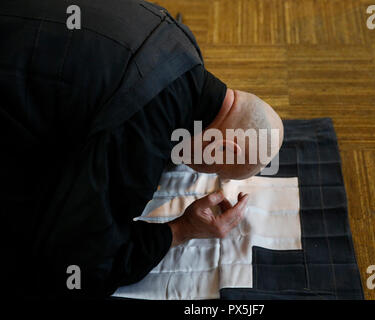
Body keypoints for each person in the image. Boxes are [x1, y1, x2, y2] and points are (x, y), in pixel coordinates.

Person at [0, 0, 283, 298]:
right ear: (223, 149)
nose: (204, 171)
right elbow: (84, 260)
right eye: (217, 168)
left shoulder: (180, 43)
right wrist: (182, 230)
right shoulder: (141, 127)